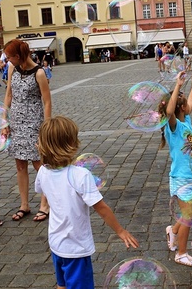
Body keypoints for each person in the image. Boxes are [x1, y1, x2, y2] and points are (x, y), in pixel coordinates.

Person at [35, 116, 139, 289]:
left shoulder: (43, 172)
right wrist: (120, 231)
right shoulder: (80, 175)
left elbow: (44, 191)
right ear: (71, 145)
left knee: (62, 285)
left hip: (55, 243)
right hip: (75, 247)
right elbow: (101, 207)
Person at [2, 39, 52, 222]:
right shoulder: (11, 68)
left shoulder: (39, 73)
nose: (7, 59)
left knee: (40, 165)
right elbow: (9, 94)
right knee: (20, 165)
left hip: (34, 122)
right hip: (16, 122)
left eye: (9, 56)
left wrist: (46, 128)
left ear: (18, 56)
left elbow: (47, 102)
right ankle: (24, 204)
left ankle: (44, 205)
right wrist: (3, 119)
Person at [158, 70, 192, 267]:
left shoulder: (187, 120)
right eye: (184, 101)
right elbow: (169, 112)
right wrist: (177, 85)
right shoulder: (173, 127)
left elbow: (191, 101)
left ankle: (173, 231)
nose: (189, 103)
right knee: (188, 217)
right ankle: (182, 254)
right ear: (180, 107)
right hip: (181, 177)